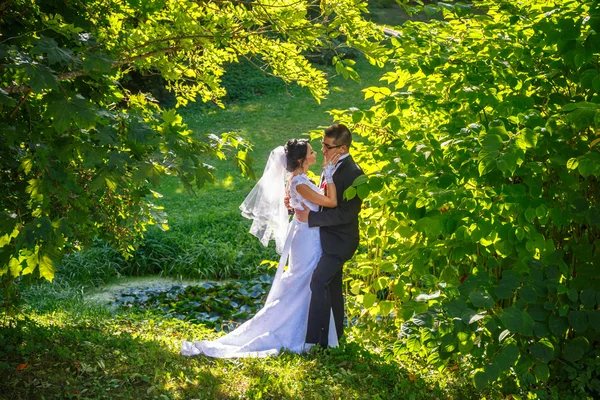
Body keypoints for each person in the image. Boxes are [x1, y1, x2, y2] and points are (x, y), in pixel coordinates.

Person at [181, 138, 340, 358]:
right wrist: (329, 172)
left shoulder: (298, 180)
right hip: (306, 239)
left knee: (304, 282)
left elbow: (307, 203)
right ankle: (291, 331)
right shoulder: (300, 183)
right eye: (312, 152)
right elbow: (330, 203)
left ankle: (308, 332)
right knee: (302, 281)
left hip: (307, 234)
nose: (316, 154)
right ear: (302, 160)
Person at [295, 123, 364, 349]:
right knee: (332, 288)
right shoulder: (331, 167)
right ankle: (334, 339)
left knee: (318, 281)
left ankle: (316, 341)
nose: (322, 150)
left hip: (341, 241)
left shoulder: (354, 173)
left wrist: (311, 220)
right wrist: (295, 206)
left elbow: (347, 213)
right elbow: (321, 199)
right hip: (325, 238)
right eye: (322, 144)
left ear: (342, 149)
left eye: (327, 146)